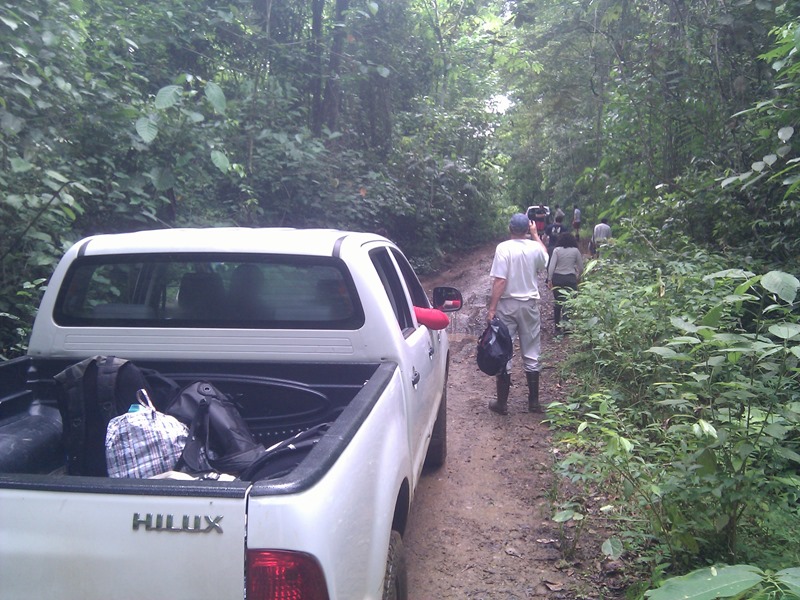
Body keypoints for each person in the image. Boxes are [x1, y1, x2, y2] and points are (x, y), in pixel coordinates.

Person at [486, 213, 549, 414]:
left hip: (507, 305)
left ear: (510, 228)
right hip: (529, 304)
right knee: (532, 350)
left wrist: (492, 308)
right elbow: (545, 259)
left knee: (504, 349)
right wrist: (536, 235)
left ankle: (502, 403)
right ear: (527, 229)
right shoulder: (534, 248)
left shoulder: (503, 248)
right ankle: (534, 402)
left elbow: (500, 281)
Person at [547, 232, 583, 334]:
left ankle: (557, 326)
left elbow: (551, 266)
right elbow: (581, 267)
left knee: (558, 302)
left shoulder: (557, 250)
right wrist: (579, 277)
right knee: (569, 302)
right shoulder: (575, 251)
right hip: (570, 278)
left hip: (558, 278)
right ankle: (567, 327)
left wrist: (549, 279)